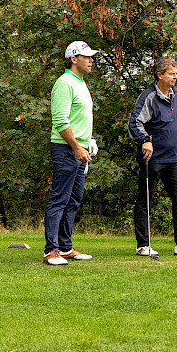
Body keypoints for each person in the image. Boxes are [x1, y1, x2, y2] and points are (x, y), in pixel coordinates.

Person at [128, 58, 177, 257]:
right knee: (145, 200)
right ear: (160, 75)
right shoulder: (148, 97)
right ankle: (143, 245)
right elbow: (135, 122)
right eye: (172, 73)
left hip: (174, 158)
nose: (175, 77)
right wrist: (145, 140)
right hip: (152, 157)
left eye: (176, 73)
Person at [43, 41, 100, 266]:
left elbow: (79, 119)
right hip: (66, 149)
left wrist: (88, 141)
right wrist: (77, 147)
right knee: (59, 198)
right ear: (74, 58)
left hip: (79, 148)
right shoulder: (65, 83)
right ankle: (51, 250)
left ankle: (65, 248)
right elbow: (60, 121)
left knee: (74, 199)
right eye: (86, 57)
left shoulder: (80, 83)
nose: (91, 60)